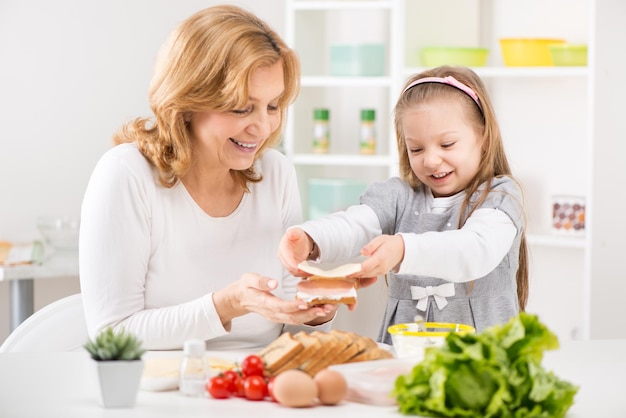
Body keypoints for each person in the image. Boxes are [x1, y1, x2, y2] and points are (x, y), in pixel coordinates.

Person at [79, 5, 339, 351]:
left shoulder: (276, 174)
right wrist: (226, 304)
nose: (262, 127)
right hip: (156, 394)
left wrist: (315, 312)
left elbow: (289, 319)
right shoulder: (127, 175)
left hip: (252, 391)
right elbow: (112, 333)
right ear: (188, 101)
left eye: (273, 106)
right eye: (242, 107)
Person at [278, 66, 529, 344]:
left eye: (447, 144)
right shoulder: (399, 195)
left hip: (483, 363)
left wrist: (403, 249)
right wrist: (312, 239)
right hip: (405, 360)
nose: (431, 160)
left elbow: (475, 250)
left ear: (483, 138)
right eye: (416, 149)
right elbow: (355, 224)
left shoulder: (500, 197)